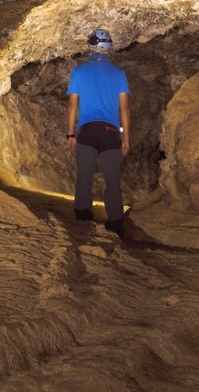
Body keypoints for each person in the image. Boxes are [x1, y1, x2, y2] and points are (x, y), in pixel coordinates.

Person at [66, 28, 131, 238]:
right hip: (110, 132)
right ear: (109, 47)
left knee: (84, 178)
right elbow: (124, 109)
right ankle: (116, 225)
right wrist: (126, 138)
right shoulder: (118, 74)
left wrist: (70, 134)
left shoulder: (79, 71)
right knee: (112, 181)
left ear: (90, 46)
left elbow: (72, 106)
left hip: (86, 130)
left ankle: (83, 221)